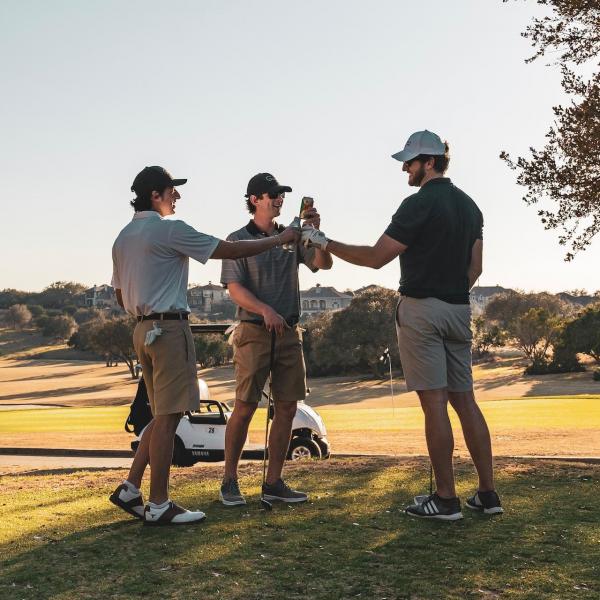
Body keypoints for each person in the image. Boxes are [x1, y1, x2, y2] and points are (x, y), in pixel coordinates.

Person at [302, 131, 503, 520]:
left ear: (428, 162)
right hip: (460, 310)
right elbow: (475, 268)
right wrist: (451, 294)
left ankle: (445, 500)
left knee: (434, 405)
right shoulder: (470, 207)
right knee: (465, 401)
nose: (404, 168)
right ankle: (488, 494)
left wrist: (324, 241)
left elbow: (377, 257)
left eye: (409, 162)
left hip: (421, 310)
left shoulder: (419, 203)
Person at [109, 166, 299, 526]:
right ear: (155, 194)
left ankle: (131, 488)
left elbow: (121, 296)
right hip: (169, 330)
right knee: (169, 418)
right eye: (171, 191)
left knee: (160, 414)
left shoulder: (123, 237)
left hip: (141, 330)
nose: (176, 196)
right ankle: (160, 503)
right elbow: (228, 249)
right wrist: (279, 239)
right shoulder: (169, 229)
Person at [219, 173, 332, 506]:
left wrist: (318, 236)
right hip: (253, 331)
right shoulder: (236, 239)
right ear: (255, 199)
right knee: (245, 406)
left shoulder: (293, 235)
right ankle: (229, 481)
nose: (279, 199)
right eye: (273, 195)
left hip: (289, 333)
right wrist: (265, 309)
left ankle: (274, 483)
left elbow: (322, 266)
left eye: (282, 195)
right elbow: (235, 290)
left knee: (287, 407)